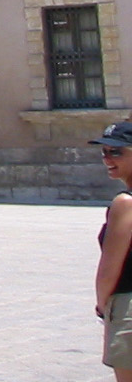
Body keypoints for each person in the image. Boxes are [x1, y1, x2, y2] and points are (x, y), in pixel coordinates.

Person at [93, 121, 132, 378]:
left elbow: (108, 272)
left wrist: (101, 306)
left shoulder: (125, 204)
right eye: (104, 151)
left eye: (116, 152)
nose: (108, 158)